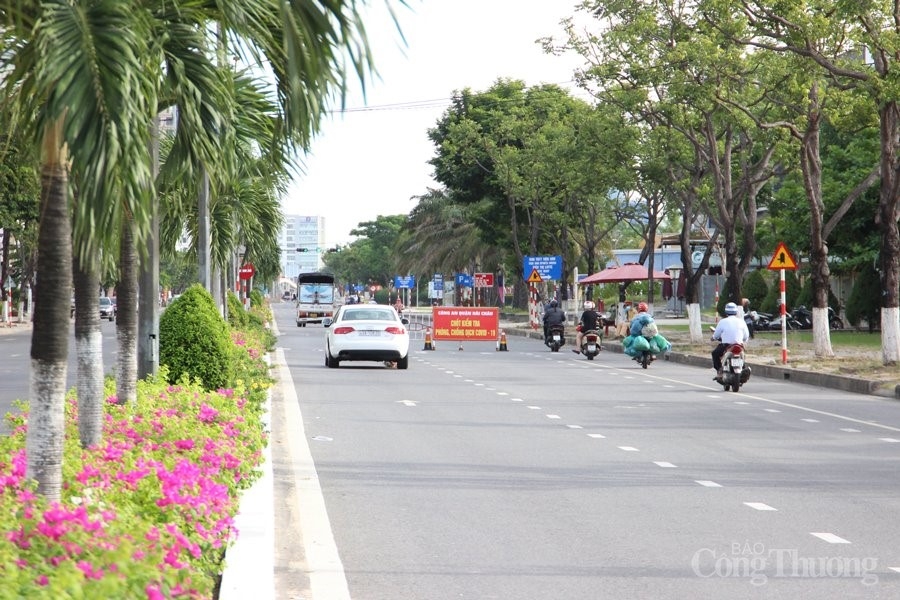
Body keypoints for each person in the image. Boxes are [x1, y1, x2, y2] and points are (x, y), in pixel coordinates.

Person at [711, 301, 751, 380]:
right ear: (736, 312)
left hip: (726, 345)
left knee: (715, 353)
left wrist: (713, 338)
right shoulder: (741, 321)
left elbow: (716, 335)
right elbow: (746, 336)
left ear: (726, 312)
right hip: (739, 345)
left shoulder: (722, 321)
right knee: (743, 355)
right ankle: (743, 368)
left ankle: (719, 370)